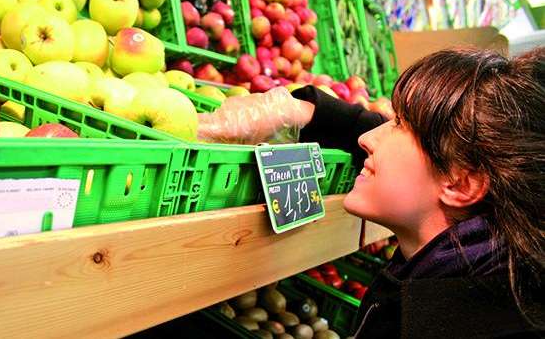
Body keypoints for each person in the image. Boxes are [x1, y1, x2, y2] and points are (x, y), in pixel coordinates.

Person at [201, 47, 545, 337]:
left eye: (401, 125)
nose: (368, 139)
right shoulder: (492, 277)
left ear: (460, 184)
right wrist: (305, 113)